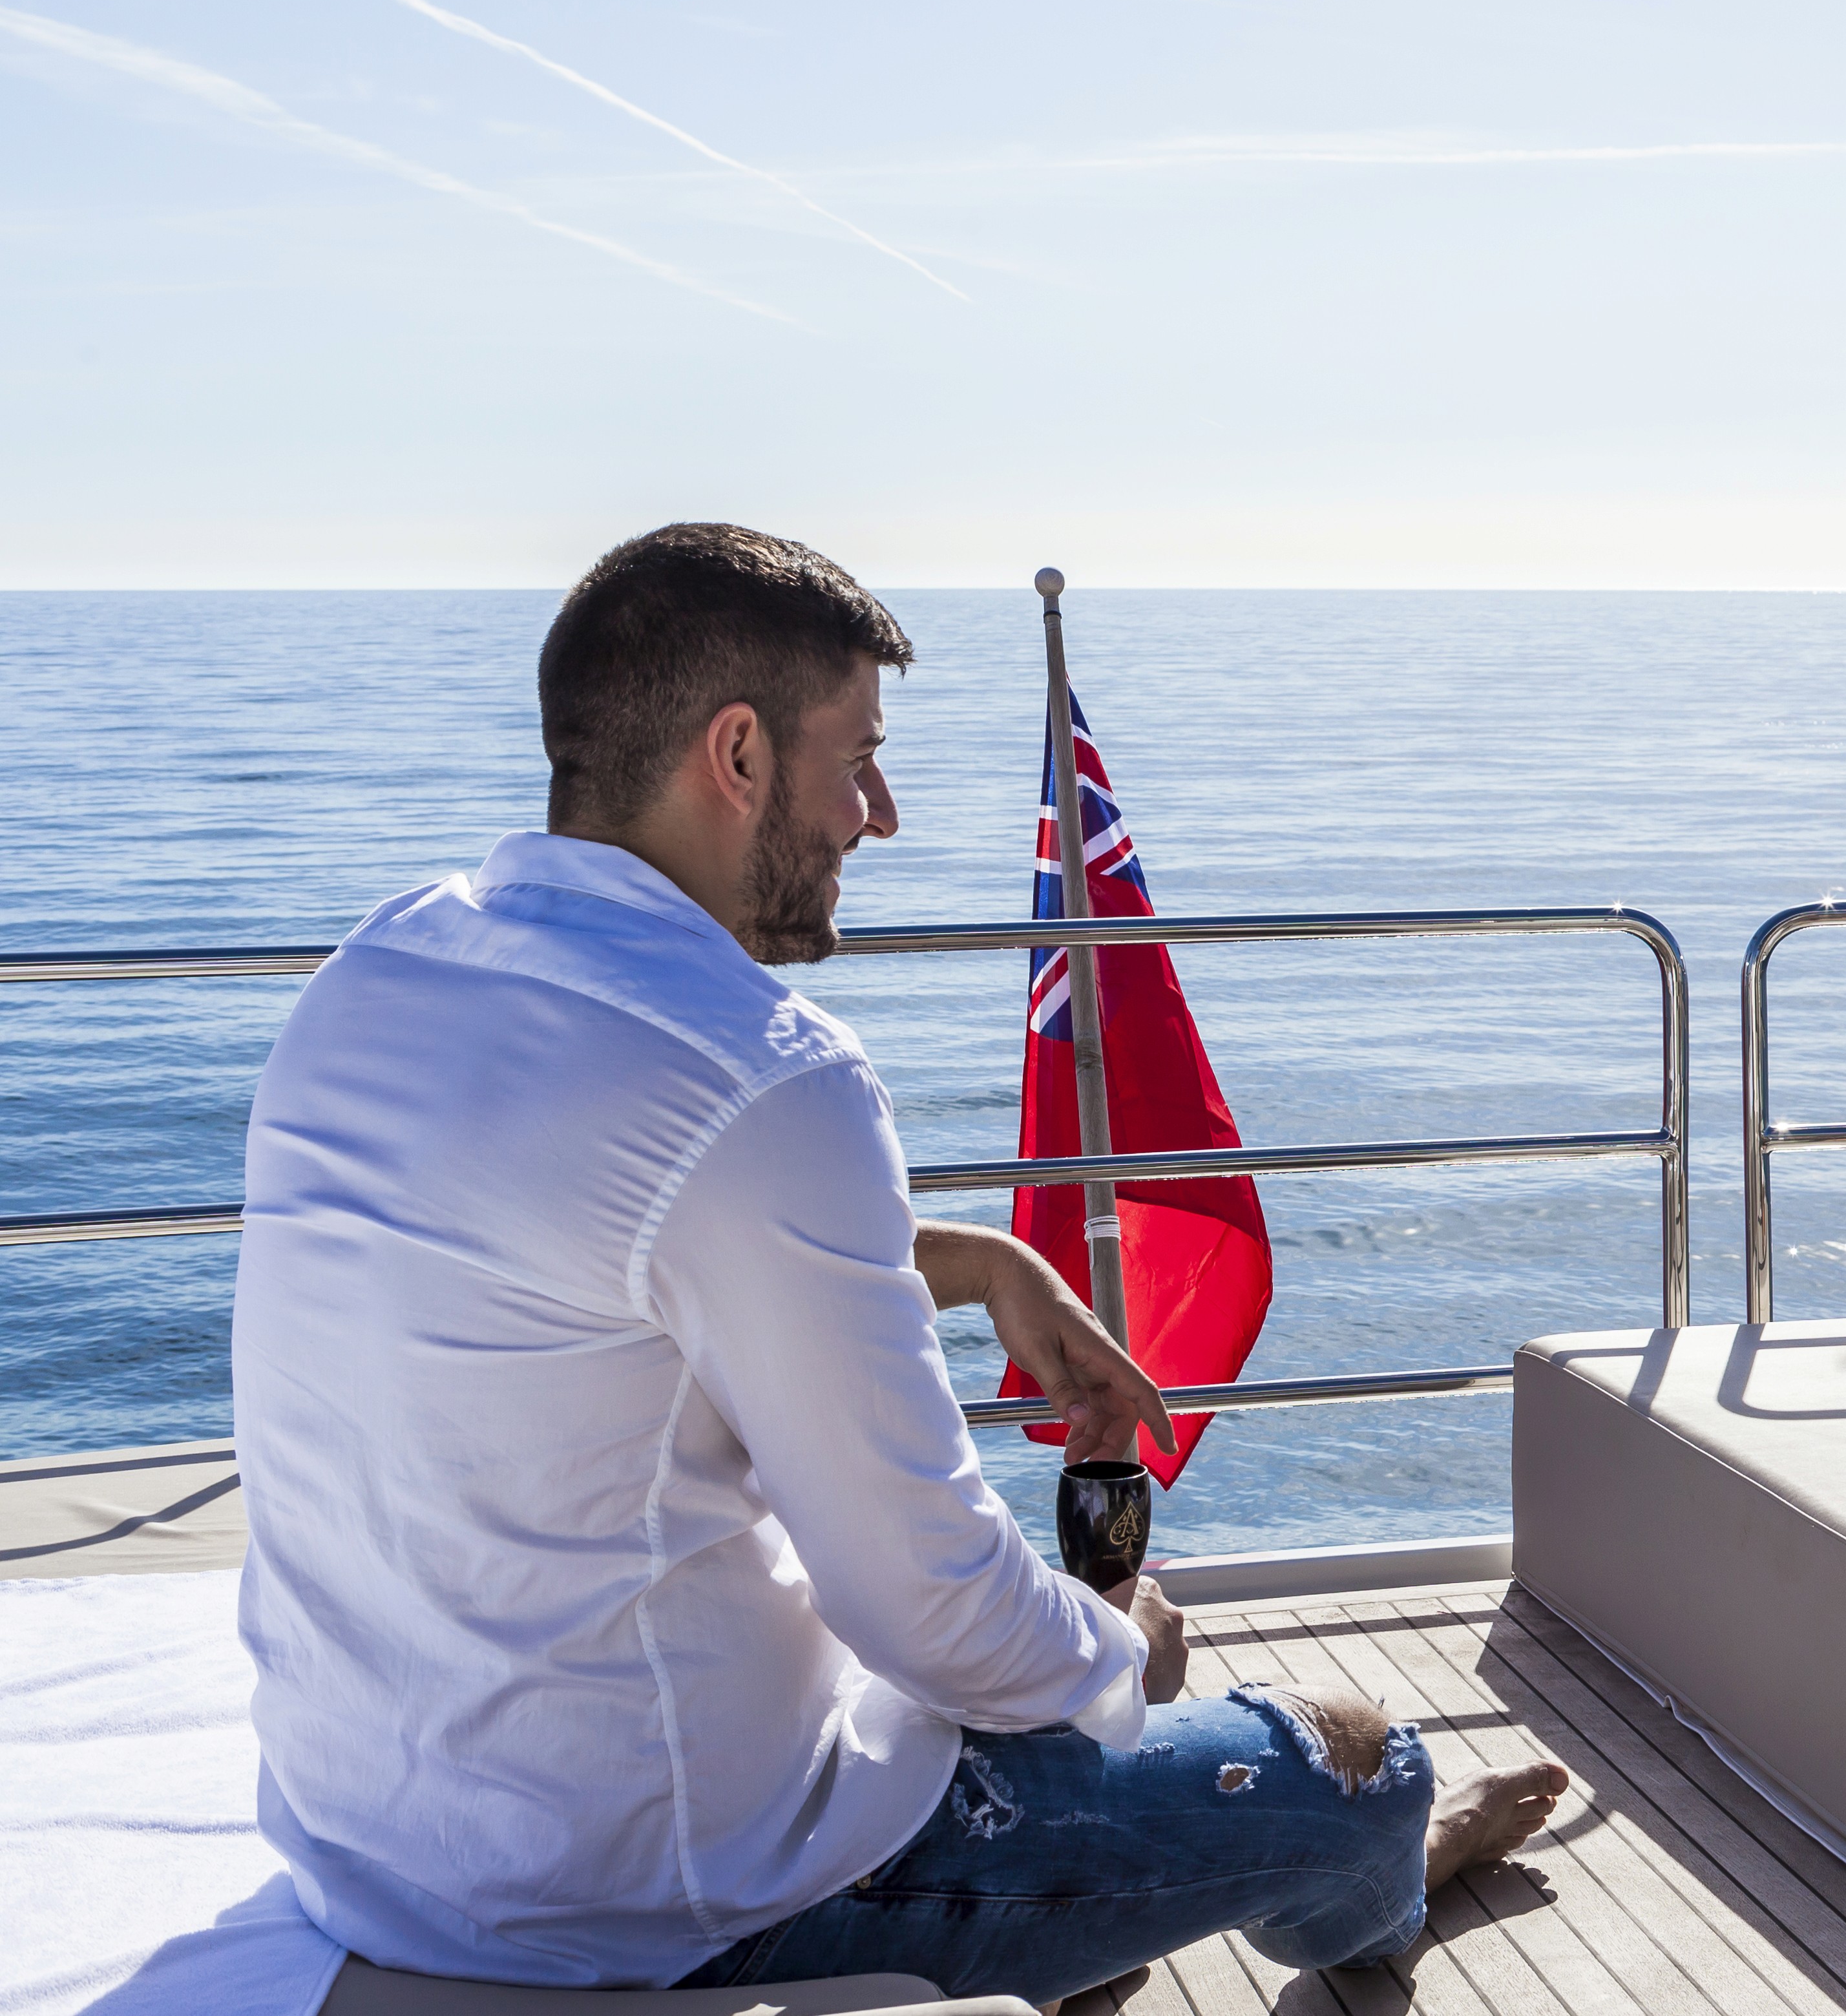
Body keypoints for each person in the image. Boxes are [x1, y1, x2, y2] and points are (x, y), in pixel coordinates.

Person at [233, 523, 1564, 2007]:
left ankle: (1096, 1932)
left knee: (1052, 1680)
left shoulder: (382, 971)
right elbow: (928, 1614)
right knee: (1354, 1756)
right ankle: (1390, 1879)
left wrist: (980, 1258)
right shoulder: (761, 1074)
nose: (880, 812)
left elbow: (594, 1253)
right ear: (738, 753)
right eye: (857, 758)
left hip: (380, 1845)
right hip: (676, 1892)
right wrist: (1116, 1645)